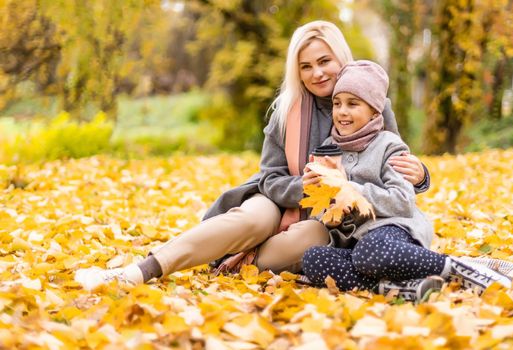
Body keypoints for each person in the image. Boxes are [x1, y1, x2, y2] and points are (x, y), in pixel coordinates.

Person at [75, 21, 430, 290]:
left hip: (332, 219)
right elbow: (270, 178)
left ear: (342, 59)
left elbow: (389, 168)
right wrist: (307, 188)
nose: (317, 73)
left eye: (325, 61)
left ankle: (234, 256)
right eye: (306, 66)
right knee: (252, 221)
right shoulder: (286, 110)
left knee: (307, 239)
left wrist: (420, 176)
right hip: (281, 198)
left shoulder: (374, 104)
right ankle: (141, 270)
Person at [301, 60, 513, 301]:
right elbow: (326, 212)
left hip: (393, 230)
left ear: (374, 111)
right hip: (354, 242)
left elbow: (402, 201)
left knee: (369, 253)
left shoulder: (389, 145)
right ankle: (405, 288)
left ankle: (459, 267)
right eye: (337, 104)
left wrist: (348, 188)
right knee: (313, 259)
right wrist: (317, 194)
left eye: (353, 104)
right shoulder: (328, 149)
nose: (342, 112)